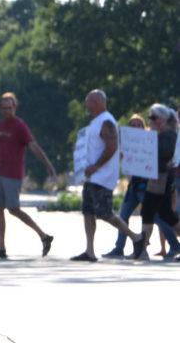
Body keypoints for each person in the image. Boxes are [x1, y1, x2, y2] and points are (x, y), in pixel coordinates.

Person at [70, 90, 145, 262]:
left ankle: (137, 238)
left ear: (98, 102)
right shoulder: (95, 122)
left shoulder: (106, 121)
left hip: (101, 177)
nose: (86, 105)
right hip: (91, 177)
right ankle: (89, 251)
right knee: (88, 212)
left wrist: (96, 166)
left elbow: (112, 146)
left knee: (104, 213)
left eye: (89, 102)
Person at [0, 92, 56, 260]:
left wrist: (48, 165)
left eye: (11, 107)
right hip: (0, 173)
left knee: (13, 209)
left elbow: (33, 146)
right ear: (0, 109)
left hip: (13, 174)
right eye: (5, 108)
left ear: (15, 107)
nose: (8, 110)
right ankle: (1, 247)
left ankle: (43, 236)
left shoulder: (20, 126)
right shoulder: (0, 125)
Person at [103, 114, 180, 259]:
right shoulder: (129, 142)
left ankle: (174, 245)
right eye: (133, 125)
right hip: (133, 187)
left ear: (143, 126)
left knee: (157, 218)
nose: (136, 127)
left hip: (146, 186)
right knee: (123, 216)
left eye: (139, 124)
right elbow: (122, 160)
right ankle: (119, 248)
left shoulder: (149, 141)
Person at [134, 104, 180, 260]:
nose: (151, 121)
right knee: (157, 213)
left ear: (163, 120)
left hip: (162, 180)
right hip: (156, 180)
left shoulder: (169, 136)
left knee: (158, 213)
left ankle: (142, 251)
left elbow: (165, 157)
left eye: (153, 118)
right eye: (150, 118)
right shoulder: (160, 135)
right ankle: (142, 250)